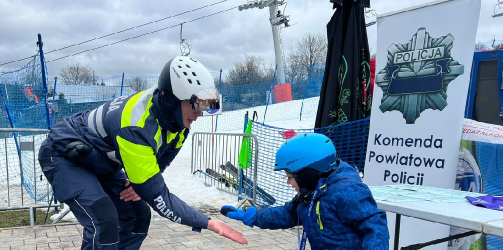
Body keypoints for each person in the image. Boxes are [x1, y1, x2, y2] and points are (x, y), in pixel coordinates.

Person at [38, 56, 248, 249]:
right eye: (195, 104)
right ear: (171, 99)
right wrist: (208, 222)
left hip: (98, 159)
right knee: (103, 219)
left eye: (205, 105)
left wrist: (142, 185)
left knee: (138, 215)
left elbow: (162, 160)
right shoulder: (136, 128)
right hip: (63, 154)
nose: (199, 113)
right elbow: (161, 199)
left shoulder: (179, 125)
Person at [221, 133, 389, 250]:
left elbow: (374, 225)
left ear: (308, 173)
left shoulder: (346, 190)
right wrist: (253, 216)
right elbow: (289, 214)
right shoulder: (311, 192)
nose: (288, 182)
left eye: (290, 176)